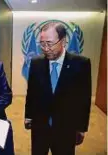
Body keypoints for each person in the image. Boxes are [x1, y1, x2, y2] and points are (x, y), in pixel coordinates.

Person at [24, 22, 92, 155]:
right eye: (42, 44)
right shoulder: (36, 62)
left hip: (66, 127)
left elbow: (84, 98)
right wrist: (28, 116)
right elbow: (31, 93)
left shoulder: (81, 63)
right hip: (40, 126)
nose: (45, 48)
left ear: (63, 41)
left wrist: (81, 127)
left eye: (49, 43)